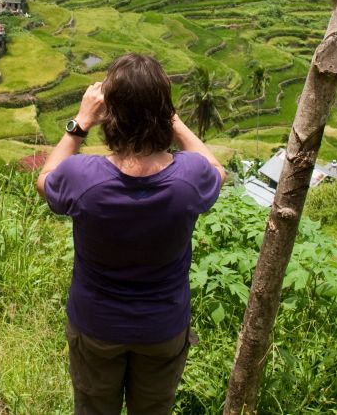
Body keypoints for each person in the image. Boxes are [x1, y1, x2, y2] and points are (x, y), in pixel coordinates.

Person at [35, 53, 226, 415]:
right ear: (164, 113)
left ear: (110, 114)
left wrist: (80, 123)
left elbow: (45, 180)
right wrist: (173, 120)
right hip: (162, 328)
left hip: (96, 324)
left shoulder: (83, 178)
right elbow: (216, 168)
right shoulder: (189, 178)